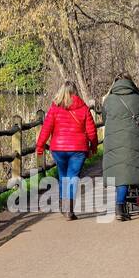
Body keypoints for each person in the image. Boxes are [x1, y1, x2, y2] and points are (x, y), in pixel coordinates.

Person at [35, 80, 98, 220]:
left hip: (58, 148)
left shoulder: (55, 108)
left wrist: (40, 146)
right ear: (75, 91)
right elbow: (92, 131)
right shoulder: (83, 108)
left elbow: (46, 129)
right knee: (72, 178)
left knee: (63, 177)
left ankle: (65, 206)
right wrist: (93, 147)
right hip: (78, 149)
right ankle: (69, 209)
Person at [101, 74, 139, 221]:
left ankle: (121, 205)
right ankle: (120, 205)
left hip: (113, 141)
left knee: (119, 172)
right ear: (130, 83)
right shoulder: (138, 98)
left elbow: (105, 120)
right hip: (132, 140)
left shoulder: (108, 100)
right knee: (128, 170)